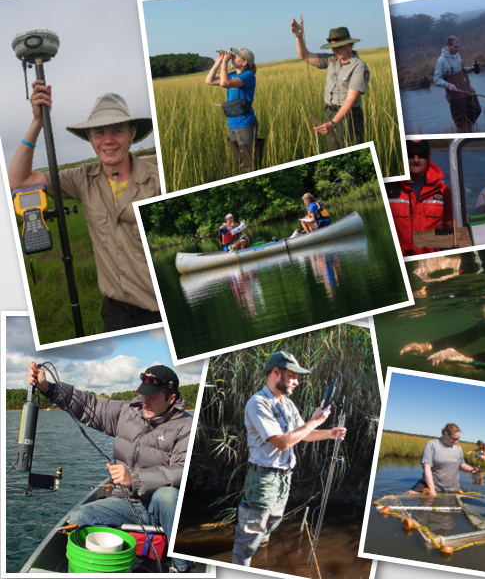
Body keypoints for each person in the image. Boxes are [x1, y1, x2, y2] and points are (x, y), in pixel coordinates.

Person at [7, 86, 161, 332]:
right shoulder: (81, 179)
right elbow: (17, 181)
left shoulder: (159, 182)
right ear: (90, 136)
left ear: (131, 133)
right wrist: (37, 123)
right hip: (116, 312)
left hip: (159, 310)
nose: (108, 140)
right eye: (99, 132)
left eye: (117, 130)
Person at [26, 362, 193, 571]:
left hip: (162, 507)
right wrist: (48, 388)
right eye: (144, 395)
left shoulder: (186, 426)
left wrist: (134, 479)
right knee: (79, 519)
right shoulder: (128, 411)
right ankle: (127, 566)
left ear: (172, 398)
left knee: (168, 496)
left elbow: (183, 470)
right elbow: (89, 405)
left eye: (153, 397)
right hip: (126, 502)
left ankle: (183, 568)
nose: (146, 402)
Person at [231, 352, 347, 567]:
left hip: (284, 477)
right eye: (292, 376)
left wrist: (330, 433)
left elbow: (304, 435)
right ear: (276, 373)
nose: (296, 382)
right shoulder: (258, 402)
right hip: (264, 478)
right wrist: (314, 422)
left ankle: (261, 553)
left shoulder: (287, 405)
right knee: (249, 535)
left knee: (272, 522)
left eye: (297, 377)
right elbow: (282, 442)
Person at [291, 17, 370, 151]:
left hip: (348, 117)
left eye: (339, 47)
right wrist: (299, 37)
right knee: (334, 153)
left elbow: (351, 99)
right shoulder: (331, 60)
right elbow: (305, 56)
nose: (335, 51)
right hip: (329, 115)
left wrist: (333, 123)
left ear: (349, 44)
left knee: (352, 154)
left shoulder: (359, 66)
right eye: (333, 48)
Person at [386, 140, 453, 256]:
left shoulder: (444, 192)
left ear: (429, 156)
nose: (416, 160)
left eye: (421, 154)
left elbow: (451, 235)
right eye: (410, 154)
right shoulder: (386, 187)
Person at [206, 48, 259, 173]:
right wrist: (218, 62)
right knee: (239, 160)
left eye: (236, 56)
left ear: (245, 62)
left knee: (248, 162)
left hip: (245, 123)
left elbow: (224, 83)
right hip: (232, 124)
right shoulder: (232, 75)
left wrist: (225, 63)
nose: (232, 57)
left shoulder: (248, 75)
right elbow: (209, 81)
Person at [406, 423, 478, 497]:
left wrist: (472, 469)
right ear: (446, 434)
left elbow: (461, 465)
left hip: (452, 488)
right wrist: (432, 489)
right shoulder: (431, 445)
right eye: (454, 439)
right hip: (431, 485)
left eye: (458, 438)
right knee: (408, 495)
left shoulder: (458, 447)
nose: (456, 441)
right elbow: (426, 468)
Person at [433, 36, 481, 132]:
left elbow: (460, 70)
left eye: (458, 46)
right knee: (460, 120)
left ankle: (467, 129)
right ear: (449, 46)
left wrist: (470, 69)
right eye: (455, 47)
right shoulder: (442, 61)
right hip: (455, 96)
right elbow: (436, 79)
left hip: (467, 90)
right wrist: (448, 85)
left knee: (477, 110)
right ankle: (464, 132)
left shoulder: (457, 55)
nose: (457, 49)